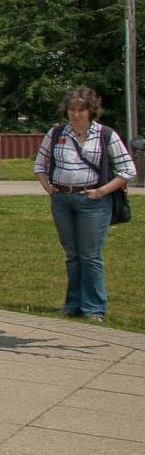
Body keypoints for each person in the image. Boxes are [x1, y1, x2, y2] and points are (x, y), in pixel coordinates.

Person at [33, 86, 134, 322]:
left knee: (90, 255)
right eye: (71, 109)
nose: (76, 114)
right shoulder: (57, 133)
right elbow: (40, 163)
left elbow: (128, 169)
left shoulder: (105, 134)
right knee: (72, 254)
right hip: (63, 199)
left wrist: (101, 191)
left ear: (90, 111)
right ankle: (72, 304)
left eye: (81, 110)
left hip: (93, 201)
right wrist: (49, 188)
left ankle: (94, 307)